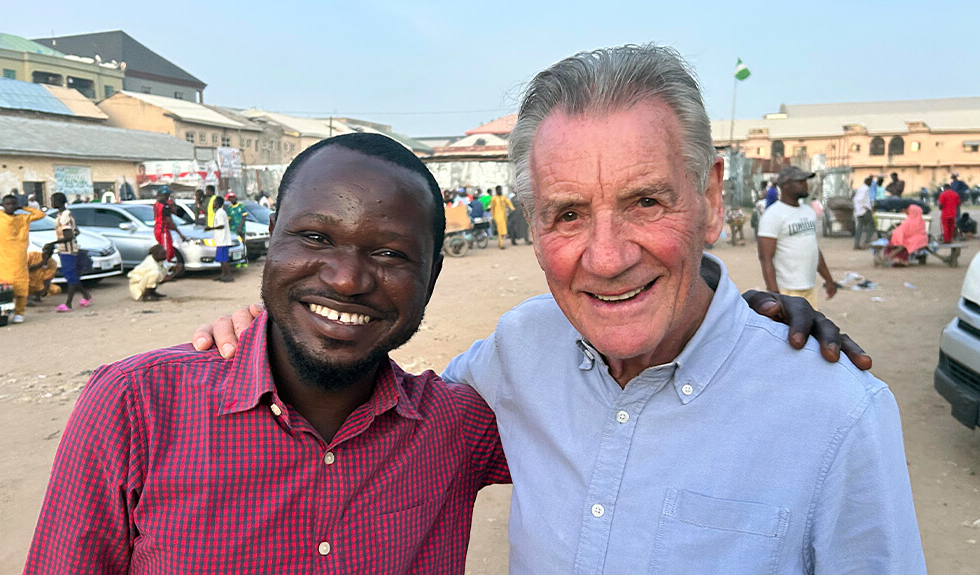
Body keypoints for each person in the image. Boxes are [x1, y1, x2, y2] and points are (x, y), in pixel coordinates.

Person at [195, 47, 916, 574]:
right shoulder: (519, 350)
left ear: (711, 196)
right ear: (534, 227)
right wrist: (275, 342)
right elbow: (388, 413)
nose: (606, 257)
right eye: (568, 213)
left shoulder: (836, 412)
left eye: (645, 201)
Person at [25, 133, 510, 573]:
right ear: (273, 235)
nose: (346, 279)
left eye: (389, 254)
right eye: (315, 238)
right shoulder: (137, 405)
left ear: (432, 274)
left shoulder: (458, 426)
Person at [759, 166, 838, 308]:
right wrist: (775, 294)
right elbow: (765, 258)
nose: (805, 185)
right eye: (800, 181)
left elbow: (812, 248)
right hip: (787, 290)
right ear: (785, 185)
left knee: (810, 328)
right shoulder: (773, 215)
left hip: (809, 287)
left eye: (805, 181)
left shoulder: (808, 211)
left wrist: (828, 279)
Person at [0, 194, 45, 323]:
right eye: (7, 204)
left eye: (13, 204)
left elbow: (40, 214)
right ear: (3, 205)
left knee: (20, 285)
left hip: (17, 259)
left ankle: (19, 312)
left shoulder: (23, 218)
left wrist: (24, 207)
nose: (10, 206)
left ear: (16, 206)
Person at [49, 193, 93, 312]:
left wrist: (53, 243)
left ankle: (68, 304)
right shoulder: (65, 215)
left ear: (58, 202)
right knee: (72, 275)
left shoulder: (64, 216)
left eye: (52, 200)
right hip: (68, 249)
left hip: (68, 250)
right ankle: (86, 296)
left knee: (70, 276)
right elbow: (76, 232)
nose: (51, 202)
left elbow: (68, 235)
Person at [152, 186, 186, 275]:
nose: (168, 196)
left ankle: (161, 270)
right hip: (163, 230)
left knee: (161, 249)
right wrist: (180, 234)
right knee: (167, 251)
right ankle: (165, 272)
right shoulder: (165, 206)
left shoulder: (156, 204)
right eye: (167, 195)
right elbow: (169, 220)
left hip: (157, 229)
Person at [205, 195, 234, 282]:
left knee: (224, 259)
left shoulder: (220, 213)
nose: (212, 204)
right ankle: (223, 275)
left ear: (217, 203)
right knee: (221, 259)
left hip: (223, 240)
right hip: (220, 239)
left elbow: (221, 225)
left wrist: (211, 228)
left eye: (214, 202)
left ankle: (229, 276)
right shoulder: (218, 212)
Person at [225, 193, 249, 269]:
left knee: (243, 244)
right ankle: (238, 260)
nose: (232, 199)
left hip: (241, 229)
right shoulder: (229, 208)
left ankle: (245, 260)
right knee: (236, 247)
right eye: (230, 198)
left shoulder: (241, 205)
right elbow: (229, 219)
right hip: (233, 230)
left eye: (233, 197)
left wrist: (240, 227)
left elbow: (244, 217)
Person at [852, 176, 875, 249]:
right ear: (868, 182)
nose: (871, 184)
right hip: (864, 210)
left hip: (859, 211)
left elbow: (856, 199)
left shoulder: (860, 188)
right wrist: (867, 207)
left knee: (860, 227)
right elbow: (861, 199)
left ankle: (856, 243)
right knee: (871, 225)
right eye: (871, 182)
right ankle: (866, 241)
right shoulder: (865, 189)